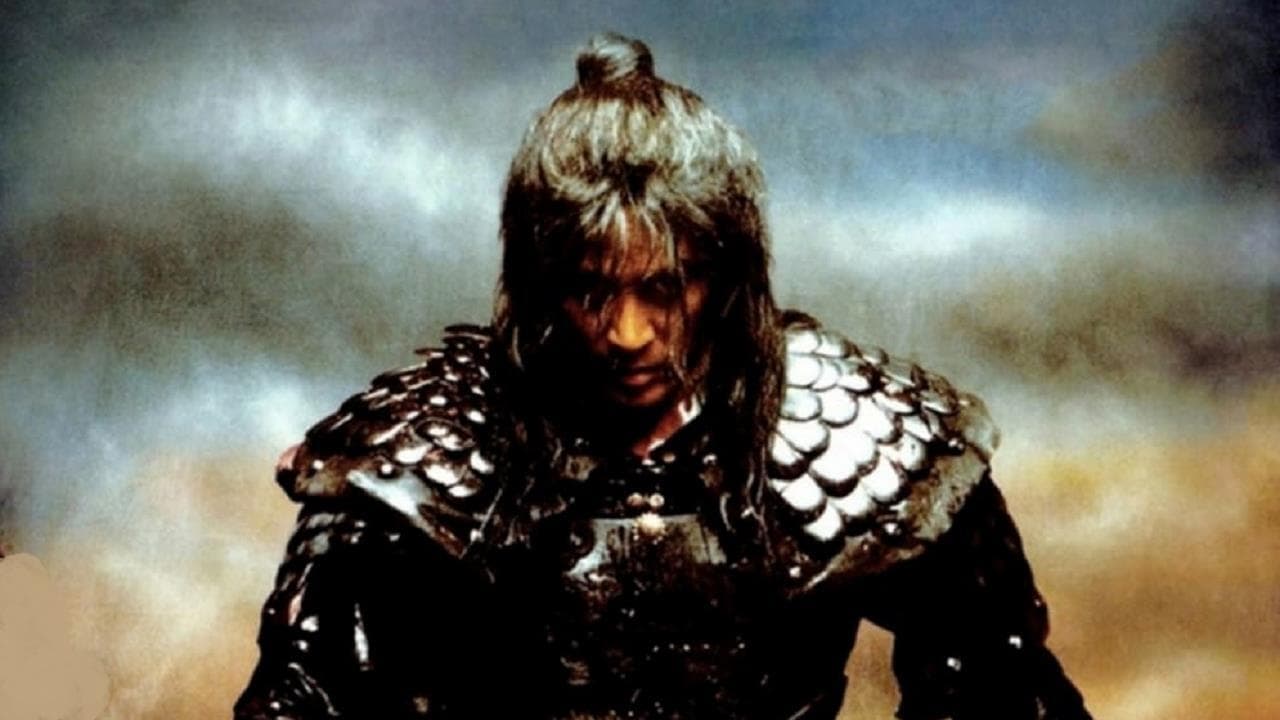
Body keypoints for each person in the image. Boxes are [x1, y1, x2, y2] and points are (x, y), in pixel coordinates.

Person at [235, 33, 1091, 720]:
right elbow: (300, 699)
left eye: (665, 286)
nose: (628, 334)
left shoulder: (864, 441)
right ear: (538, 284)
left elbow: (1004, 692)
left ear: (726, 277)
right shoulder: (418, 451)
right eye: (588, 291)